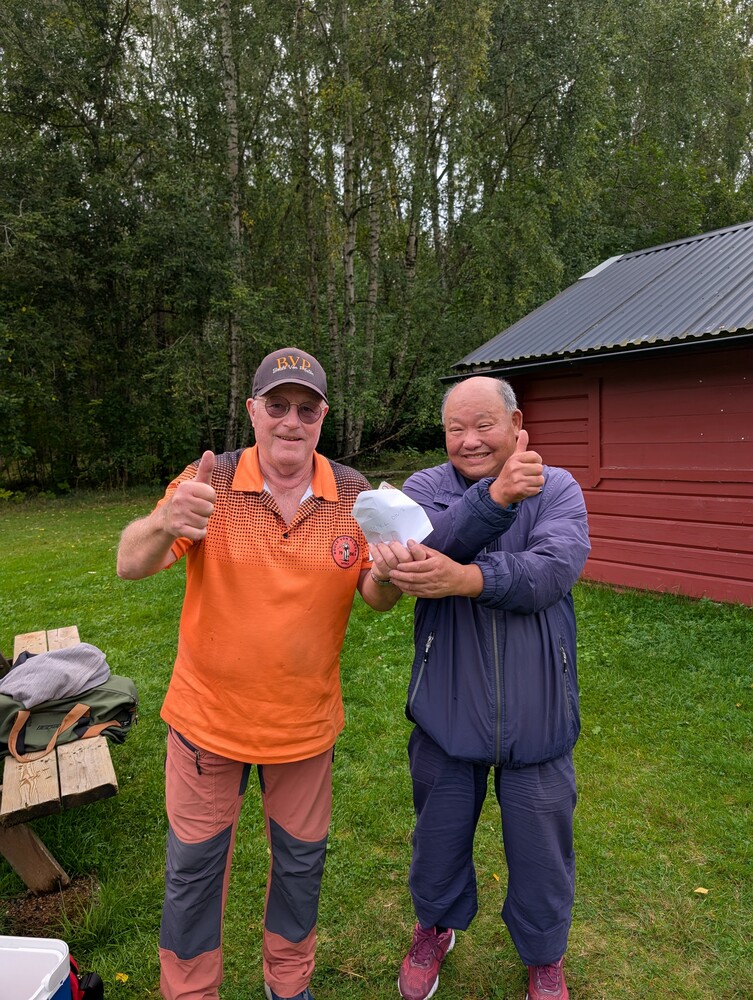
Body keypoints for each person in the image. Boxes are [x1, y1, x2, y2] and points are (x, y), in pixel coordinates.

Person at [116, 347, 402, 1000]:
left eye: (306, 409)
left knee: (301, 870)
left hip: (304, 728)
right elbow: (130, 563)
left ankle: (288, 986)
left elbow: (375, 596)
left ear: (322, 417)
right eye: (277, 406)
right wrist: (163, 522)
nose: (290, 421)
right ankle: (190, 992)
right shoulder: (208, 480)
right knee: (193, 875)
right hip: (206, 725)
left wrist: (387, 574)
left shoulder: (355, 493)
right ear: (253, 411)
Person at [371, 376, 590, 1000]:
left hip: (539, 709)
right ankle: (434, 928)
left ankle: (544, 956)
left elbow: (551, 572)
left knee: (543, 851)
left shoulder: (557, 487)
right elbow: (422, 548)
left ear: (516, 424)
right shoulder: (423, 489)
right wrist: (494, 498)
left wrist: (467, 580)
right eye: (455, 429)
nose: (468, 440)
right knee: (437, 838)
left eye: (483, 425)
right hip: (447, 708)